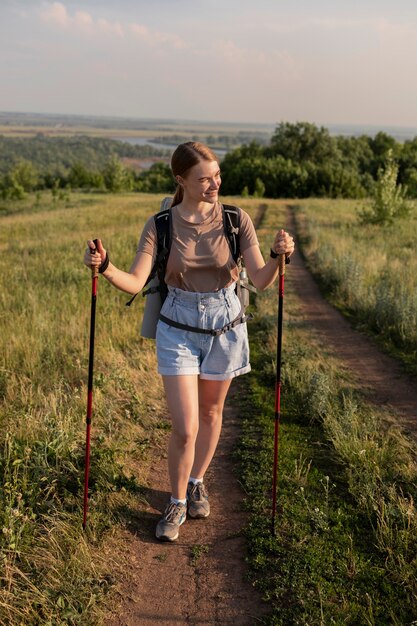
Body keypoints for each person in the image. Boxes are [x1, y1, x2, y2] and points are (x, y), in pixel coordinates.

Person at [83, 141, 294, 542]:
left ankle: (197, 480)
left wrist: (279, 255)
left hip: (225, 323)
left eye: (217, 176)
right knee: (185, 426)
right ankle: (177, 501)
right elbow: (135, 281)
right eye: (204, 179)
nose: (214, 184)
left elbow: (262, 280)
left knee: (212, 415)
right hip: (177, 324)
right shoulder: (161, 225)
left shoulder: (235, 220)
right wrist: (105, 267)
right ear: (181, 181)